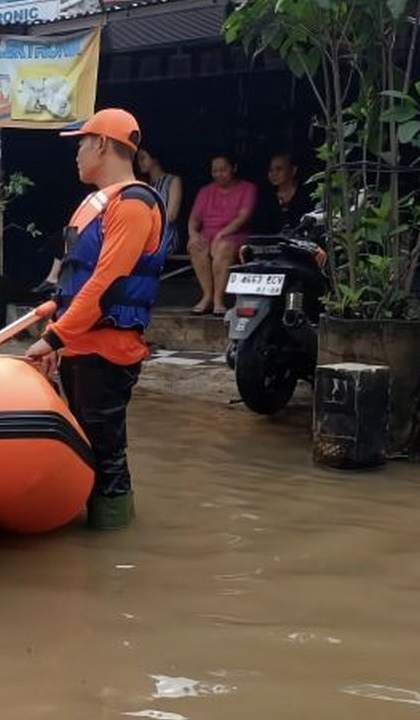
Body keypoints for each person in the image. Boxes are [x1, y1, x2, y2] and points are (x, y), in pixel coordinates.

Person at [23, 108, 166, 531]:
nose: (76, 154)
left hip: (108, 349)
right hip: (81, 345)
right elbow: (75, 282)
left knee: (106, 451)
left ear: (102, 144)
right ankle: (95, 531)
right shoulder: (94, 205)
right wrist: (58, 328)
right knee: (87, 444)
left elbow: (106, 284)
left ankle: (115, 547)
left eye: (81, 143)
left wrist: (53, 339)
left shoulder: (135, 204)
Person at [187, 152, 256, 315]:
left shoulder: (247, 188)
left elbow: (243, 217)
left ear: (234, 168)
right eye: (215, 170)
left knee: (223, 248)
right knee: (196, 246)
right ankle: (207, 296)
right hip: (208, 234)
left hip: (235, 234)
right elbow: (194, 219)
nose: (218, 174)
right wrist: (193, 234)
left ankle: (219, 300)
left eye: (223, 170)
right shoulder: (205, 191)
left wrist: (222, 234)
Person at [136, 146, 183, 249]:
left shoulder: (172, 181)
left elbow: (171, 215)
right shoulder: (143, 185)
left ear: (154, 158)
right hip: (144, 234)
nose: (140, 162)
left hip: (165, 235)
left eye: (143, 158)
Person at [255, 152, 312, 234]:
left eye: (279, 169)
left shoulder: (307, 194)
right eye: (270, 170)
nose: (274, 174)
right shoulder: (266, 197)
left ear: (293, 170)